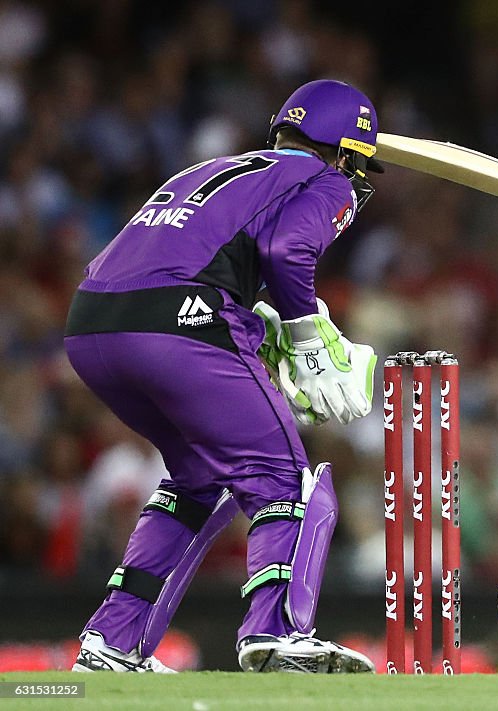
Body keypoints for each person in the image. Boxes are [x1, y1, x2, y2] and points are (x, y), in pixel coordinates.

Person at [65, 80, 381, 673]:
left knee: (199, 478)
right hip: (181, 321)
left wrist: (259, 328)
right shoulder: (323, 177)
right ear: (344, 151)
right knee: (286, 475)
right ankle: (280, 632)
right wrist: (308, 335)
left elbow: (193, 254)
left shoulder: (212, 168)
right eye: (359, 165)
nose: (357, 181)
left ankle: (112, 642)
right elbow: (288, 251)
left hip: (92, 323)